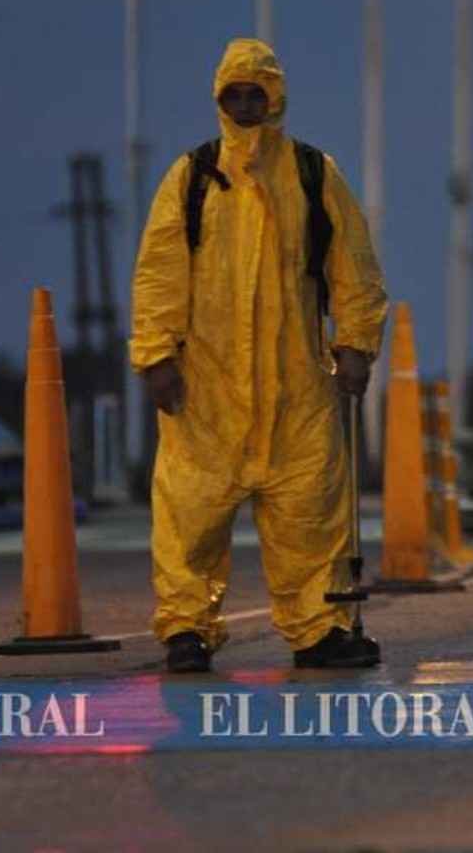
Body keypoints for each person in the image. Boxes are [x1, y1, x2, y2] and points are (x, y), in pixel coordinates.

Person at [131, 38, 388, 672]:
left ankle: (320, 629)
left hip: (295, 384)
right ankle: (186, 630)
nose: (246, 104)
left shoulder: (311, 173)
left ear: (276, 98)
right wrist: (156, 356)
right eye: (234, 95)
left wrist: (355, 342)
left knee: (310, 514)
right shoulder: (192, 178)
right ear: (218, 100)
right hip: (206, 388)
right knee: (190, 515)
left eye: (256, 94)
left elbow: (352, 266)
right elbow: (160, 273)